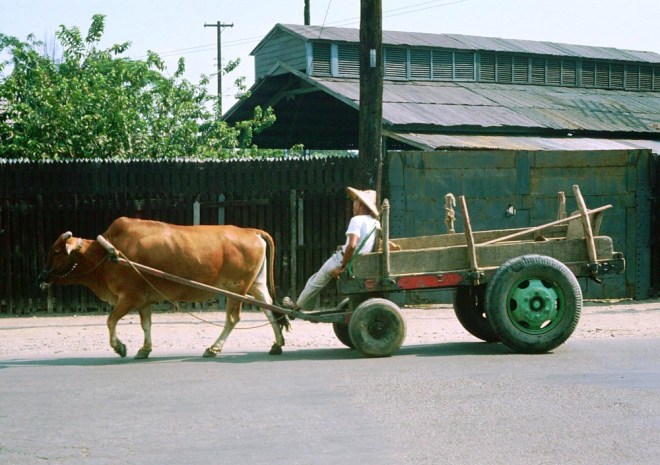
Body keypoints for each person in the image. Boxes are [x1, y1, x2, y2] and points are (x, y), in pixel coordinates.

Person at [283, 187, 380, 311]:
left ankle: (296, 307)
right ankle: (302, 305)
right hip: (360, 262)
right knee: (317, 279)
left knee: (316, 280)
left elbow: (352, 245)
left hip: (345, 260)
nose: (353, 205)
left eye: (355, 201)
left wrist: (342, 267)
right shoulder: (375, 222)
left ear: (360, 203)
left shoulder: (356, 220)